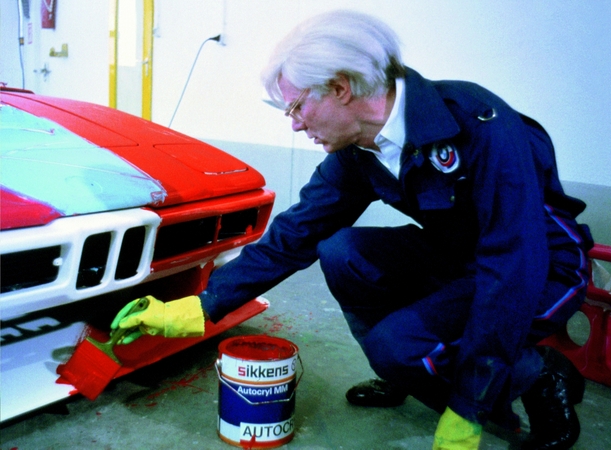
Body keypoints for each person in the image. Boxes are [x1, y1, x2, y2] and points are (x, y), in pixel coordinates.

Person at [111, 10, 593, 450]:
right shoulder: (357, 150)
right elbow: (294, 235)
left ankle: (537, 374)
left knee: (399, 346)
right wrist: (200, 307)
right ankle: (405, 369)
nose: (295, 126)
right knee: (343, 250)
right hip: (462, 256)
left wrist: (469, 404)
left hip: (539, 265)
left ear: (340, 88)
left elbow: (511, 264)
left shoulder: (479, 124)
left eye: (296, 107)